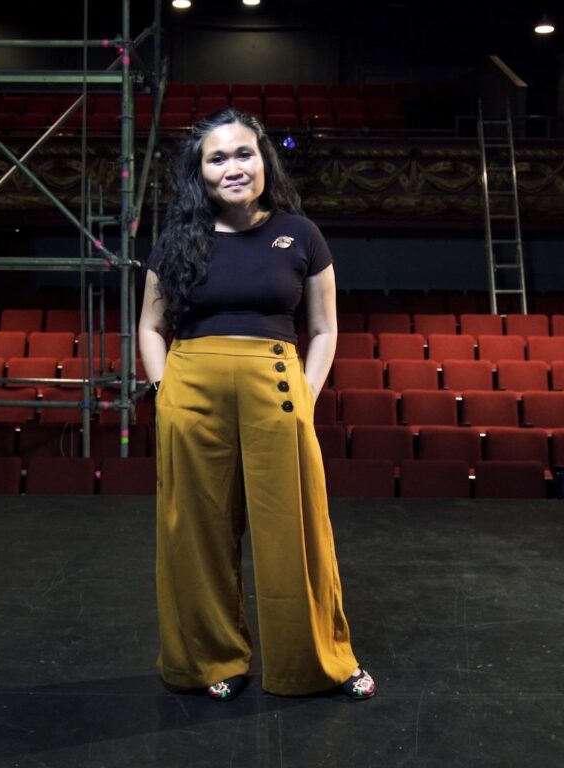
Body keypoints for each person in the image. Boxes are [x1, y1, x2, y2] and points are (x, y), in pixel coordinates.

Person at [138, 107, 375, 702]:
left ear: (263, 159)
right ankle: (209, 662)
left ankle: (316, 662)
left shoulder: (300, 233)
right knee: (195, 532)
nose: (233, 167)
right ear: (201, 173)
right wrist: (165, 391)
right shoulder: (176, 239)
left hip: (276, 387)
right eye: (217, 159)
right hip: (191, 390)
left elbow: (323, 328)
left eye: (243, 153)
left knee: (294, 529)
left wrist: (308, 392)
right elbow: (149, 325)